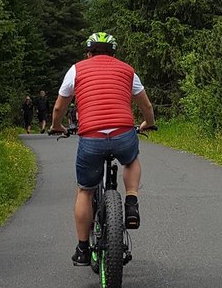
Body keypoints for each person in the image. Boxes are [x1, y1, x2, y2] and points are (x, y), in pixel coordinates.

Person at [50, 31, 156, 267]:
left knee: (85, 191)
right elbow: (146, 105)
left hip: (92, 138)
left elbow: (59, 108)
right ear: (113, 54)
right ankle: (131, 201)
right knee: (130, 160)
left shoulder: (77, 69)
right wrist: (148, 122)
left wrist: (57, 126)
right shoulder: (127, 70)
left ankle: (83, 249)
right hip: (123, 133)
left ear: (88, 53)